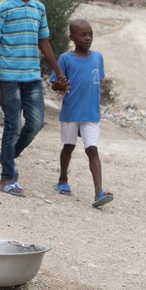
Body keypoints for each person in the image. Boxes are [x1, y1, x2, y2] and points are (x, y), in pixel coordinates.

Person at [0, 0, 68, 197]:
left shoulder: (38, 9)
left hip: (31, 77)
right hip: (8, 77)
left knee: (35, 123)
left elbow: (44, 42)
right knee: (14, 125)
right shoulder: (5, 9)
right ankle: (7, 178)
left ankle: (7, 157)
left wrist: (59, 73)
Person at [49, 19, 113, 208]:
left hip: (91, 114)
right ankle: (62, 179)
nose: (87, 38)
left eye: (90, 34)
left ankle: (98, 192)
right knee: (68, 147)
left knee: (92, 149)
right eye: (82, 35)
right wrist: (58, 86)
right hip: (71, 112)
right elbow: (55, 85)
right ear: (72, 37)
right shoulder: (65, 59)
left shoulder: (98, 58)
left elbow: (97, 83)